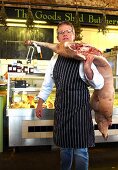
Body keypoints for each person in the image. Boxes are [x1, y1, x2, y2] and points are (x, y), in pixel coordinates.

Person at [27, 21, 104, 170]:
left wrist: (88, 67)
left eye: (68, 31)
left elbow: (99, 84)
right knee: (65, 150)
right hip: (62, 110)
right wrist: (40, 103)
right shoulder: (54, 59)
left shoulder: (83, 55)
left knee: (81, 151)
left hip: (80, 111)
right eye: (61, 33)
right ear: (58, 38)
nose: (65, 34)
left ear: (74, 35)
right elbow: (47, 83)